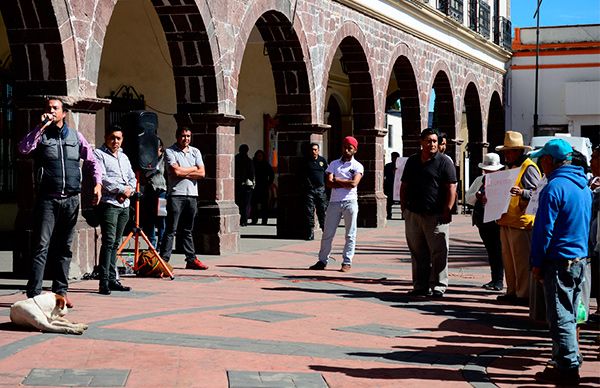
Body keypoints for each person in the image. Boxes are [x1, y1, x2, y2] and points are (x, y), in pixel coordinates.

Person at [18, 98, 102, 304]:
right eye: (48, 108)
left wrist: (98, 183)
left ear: (64, 113)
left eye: (55, 108)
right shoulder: (41, 135)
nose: (51, 111)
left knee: (64, 247)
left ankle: (61, 291)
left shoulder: (75, 136)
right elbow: (23, 149)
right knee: (41, 246)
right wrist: (40, 126)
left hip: (71, 200)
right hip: (48, 199)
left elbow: (91, 160)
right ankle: (34, 293)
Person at [530, 139, 592, 385]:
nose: (540, 164)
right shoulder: (582, 185)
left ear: (548, 160)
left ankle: (567, 368)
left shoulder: (554, 187)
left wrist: (536, 262)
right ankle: (565, 360)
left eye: (541, 159)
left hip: (559, 260)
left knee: (561, 317)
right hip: (579, 258)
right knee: (569, 313)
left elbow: (543, 229)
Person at [400, 128, 457, 298]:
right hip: (414, 214)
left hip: (436, 215)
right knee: (417, 252)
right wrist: (404, 209)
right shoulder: (412, 161)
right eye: (428, 140)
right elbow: (404, 185)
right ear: (421, 142)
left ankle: (439, 285)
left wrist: (448, 209)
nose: (432, 144)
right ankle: (420, 285)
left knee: (439, 251)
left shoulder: (444, 162)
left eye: (434, 141)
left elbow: (451, 187)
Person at [494, 131, 541, 306]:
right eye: (505, 151)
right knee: (509, 260)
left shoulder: (528, 168)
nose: (506, 154)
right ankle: (512, 290)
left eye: (510, 151)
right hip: (506, 220)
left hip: (521, 223)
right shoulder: (509, 167)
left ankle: (523, 294)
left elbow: (537, 192)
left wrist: (522, 192)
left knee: (521, 261)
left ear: (519, 151)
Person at [309, 136, 363, 272]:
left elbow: (354, 183)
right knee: (328, 233)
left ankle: (347, 261)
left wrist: (337, 181)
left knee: (350, 234)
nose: (346, 150)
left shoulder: (357, 166)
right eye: (344, 147)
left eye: (349, 148)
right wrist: (345, 182)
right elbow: (328, 182)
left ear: (355, 150)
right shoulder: (334, 164)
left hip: (350, 202)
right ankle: (322, 260)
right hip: (334, 202)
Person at [93, 125, 136, 295]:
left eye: (118, 138)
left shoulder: (124, 157)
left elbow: (132, 177)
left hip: (124, 204)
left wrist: (129, 190)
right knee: (108, 242)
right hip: (110, 204)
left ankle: (113, 278)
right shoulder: (99, 154)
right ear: (106, 137)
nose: (115, 141)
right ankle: (103, 281)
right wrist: (120, 189)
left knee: (116, 243)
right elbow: (102, 177)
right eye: (112, 137)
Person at [159, 127, 208, 270]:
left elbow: (202, 173)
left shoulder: (195, 151)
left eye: (188, 136)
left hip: (192, 195)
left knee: (187, 229)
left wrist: (183, 172)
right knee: (171, 229)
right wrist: (193, 168)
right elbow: (175, 171)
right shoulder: (170, 151)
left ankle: (191, 259)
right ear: (177, 136)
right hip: (176, 195)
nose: (186, 139)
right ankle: (164, 260)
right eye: (183, 136)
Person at [465, 153, 504, 291]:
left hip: (497, 221)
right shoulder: (479, 180)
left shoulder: (504, 181)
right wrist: (477, 196)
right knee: (491, 251)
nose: (489, 173)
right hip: (482, 221)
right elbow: (468, 198)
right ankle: (495, 279)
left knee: (498, 251)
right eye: (487, 170)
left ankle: (499, 280)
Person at [141, 137, 167, 250]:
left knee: (161, 219)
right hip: (149, 191)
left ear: (160, 147)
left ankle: (161, 244)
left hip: (161, 192)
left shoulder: (165, 159)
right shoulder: (148, 159)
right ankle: (152, 244)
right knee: (150, 219)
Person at [303, 142, 328, 240]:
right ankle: (310, 232)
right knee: (309, 211)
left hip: (320, 189)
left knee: (322, 210)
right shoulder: (306, 161)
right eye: (312, 149)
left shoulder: (322, 160)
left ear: (318, 151)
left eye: (315, 149)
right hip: (310, 190)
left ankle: (325, 231)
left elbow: (327, 173)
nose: (314, 151)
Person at [251, 149, 274, 225]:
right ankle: (254, 219)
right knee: (254, 204)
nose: (259, 157)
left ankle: (264, 220)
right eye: (258, 156)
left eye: (260, 156)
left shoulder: (266, 165)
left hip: (264, 187)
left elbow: (271, 175)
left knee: (264, 205)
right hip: (255, 187)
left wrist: (269, 183)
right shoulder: (253, 164)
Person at [235, 144, 255, 227]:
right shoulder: (248, 160)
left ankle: (239, 220)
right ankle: (244, 220)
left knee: (238, 203)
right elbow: (251, 173)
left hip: (237, 184)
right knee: (245, 204)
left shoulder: (235, 159)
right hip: (246, 185)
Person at [384, 152, 400, 220]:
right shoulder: (388, 166)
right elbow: (384, 175)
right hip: (389, 186)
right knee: (389, 202)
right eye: (393, 157)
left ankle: (403, 215)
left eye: (395, 157)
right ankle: (388, 215)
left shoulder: (401, 166)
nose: (394, 159)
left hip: (398, 186)